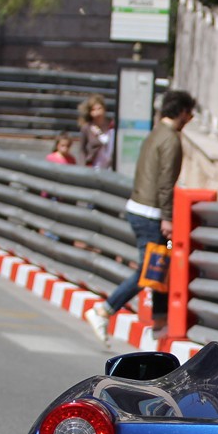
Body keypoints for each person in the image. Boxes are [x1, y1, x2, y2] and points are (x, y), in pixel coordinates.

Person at [85, 89, 198, 344]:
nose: (190, 119)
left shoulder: (156, 133)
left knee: (159, 265)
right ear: (181, 112)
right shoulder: (171, 140)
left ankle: (159, 325)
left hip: (139, 208)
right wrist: (168, 217)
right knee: (150, 269)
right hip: (151, 214)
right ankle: (104, 310)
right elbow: (166, 183)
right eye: (190, 113)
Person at [78, 94, 115, 170]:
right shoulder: (87, 128)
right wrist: (82, 167)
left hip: (110, 167)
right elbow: (82, 149)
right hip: (93, 167)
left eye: (99, 109)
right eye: (93, 110)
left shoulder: (112, 125)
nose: (97, 112)